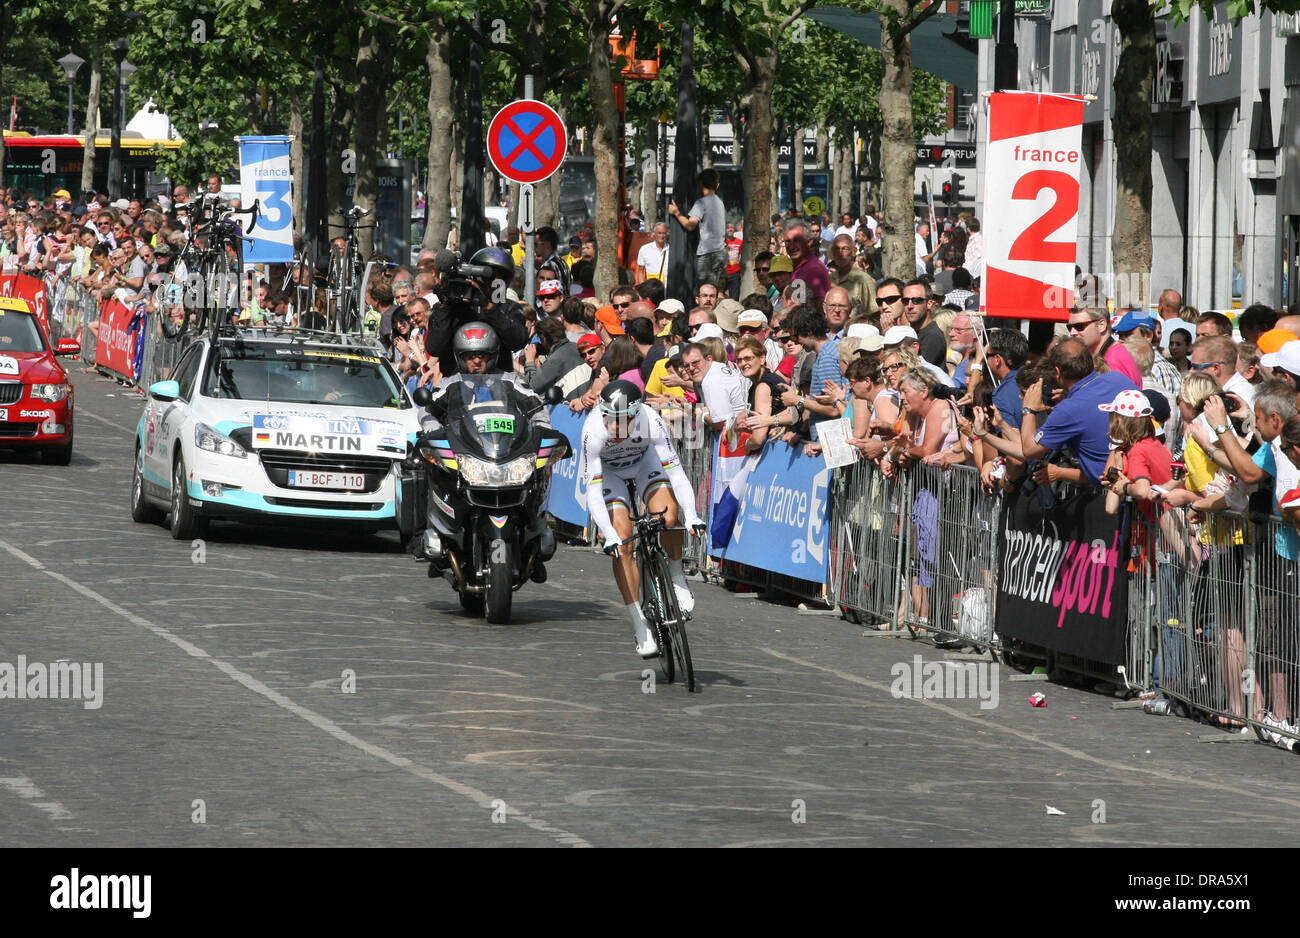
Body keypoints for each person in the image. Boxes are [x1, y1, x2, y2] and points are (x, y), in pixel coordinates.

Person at [581, 381, 707, 657]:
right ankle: (639, 623)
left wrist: (692, 516)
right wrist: (609, 534)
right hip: (610, 476)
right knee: (623, 544)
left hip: (644, 464)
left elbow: (676, 472)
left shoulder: (651, 420)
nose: (614, 428)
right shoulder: (592, 430)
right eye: (609, 419)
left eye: (621, 421)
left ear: (636, 415)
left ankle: (675, 575)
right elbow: (592, 489)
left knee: (669, 514)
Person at [1019, 337, 1140, 485]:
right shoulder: (1119, 379)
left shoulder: (1068, 410)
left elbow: (1030, 450)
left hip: (1108, 492)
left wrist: (1028, 409)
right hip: (1140, 482)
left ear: (1057, 372)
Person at [668, 168, 727, 289]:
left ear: (700, 183)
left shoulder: (702, 202)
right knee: (717, 289)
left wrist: (676, 213)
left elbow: (690, 225)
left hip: (707, 253)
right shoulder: (720, 203)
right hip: (721, 252)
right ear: (717, 185)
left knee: (705, 290)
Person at [1067, 304, 1143, 388]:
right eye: (1069, 327)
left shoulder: (1112, 362)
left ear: (1101, 325)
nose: (1072, 332)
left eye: (1079, 326)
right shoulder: (1111, 354)